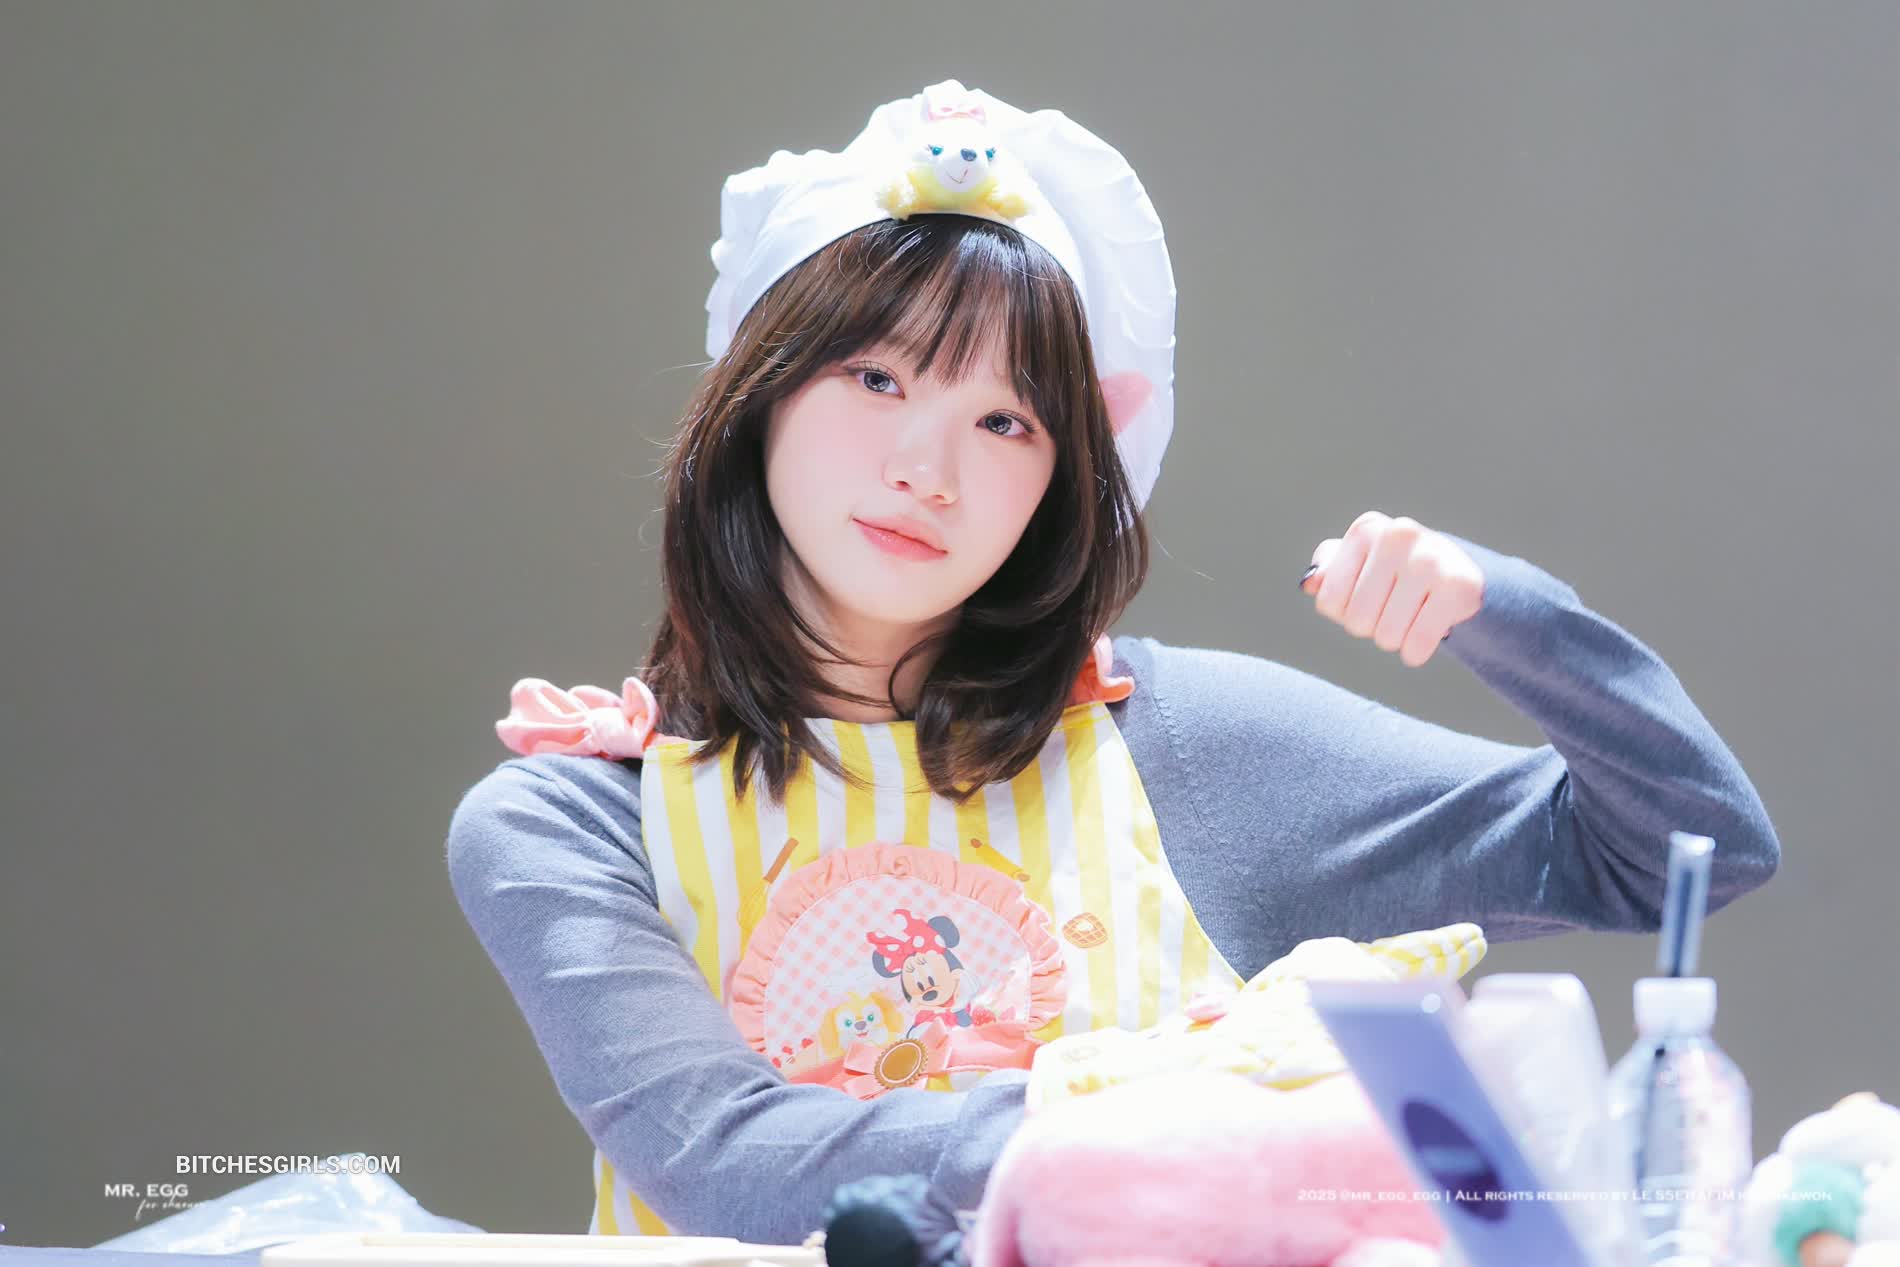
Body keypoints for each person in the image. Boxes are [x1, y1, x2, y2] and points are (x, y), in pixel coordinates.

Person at [444, 79, 1780, 1245]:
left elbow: (1687, 845)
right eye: (876, 379)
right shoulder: (580, 816)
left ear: (1062, 481)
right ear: (759, 396)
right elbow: (722, 1163)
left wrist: (1507, 612)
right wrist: (1198, 1098)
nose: (926, 467)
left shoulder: (1181, 747)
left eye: (1006, 421)